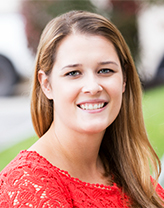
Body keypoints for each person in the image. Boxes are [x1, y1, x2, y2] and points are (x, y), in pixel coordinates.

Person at [0, 10, 164, 208]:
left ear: (124, 80)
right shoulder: (29, 184)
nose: (93, 87)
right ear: (46, 85)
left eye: (105, 70)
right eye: (73, 73)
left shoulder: (129, 174)